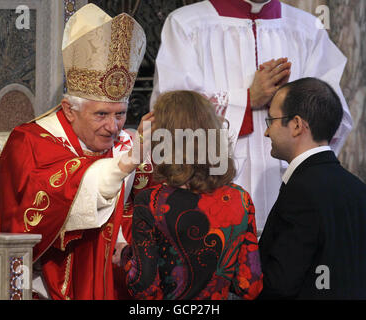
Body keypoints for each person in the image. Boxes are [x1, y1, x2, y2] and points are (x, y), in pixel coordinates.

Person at [0, 4, 154, 300]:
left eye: (120, 114)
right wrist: (121, 168)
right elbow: (44, 209)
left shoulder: (126, 144)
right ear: (69, 110)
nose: (113, 127)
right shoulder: (30, 141)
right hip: (39, 279)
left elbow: (138, 210)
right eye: (101, 114)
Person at [150, 0, 353, 232]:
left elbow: (334, 118)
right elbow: (171, 118)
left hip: (294, 194)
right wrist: (246, 99)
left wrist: (293, 101)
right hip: (213, 196)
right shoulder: (186, 24)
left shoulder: (307, 28)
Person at [118, 90, 263, 300]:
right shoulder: (240, 198)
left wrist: (125, 255)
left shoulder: (151, 202)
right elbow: (250, 285)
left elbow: (144, 288)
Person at [259, 77, 366, 299]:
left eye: (272, 121)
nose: (266, 132)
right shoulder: (358, 188)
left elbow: (280, 284)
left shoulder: (301, 192)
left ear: (297, 125)